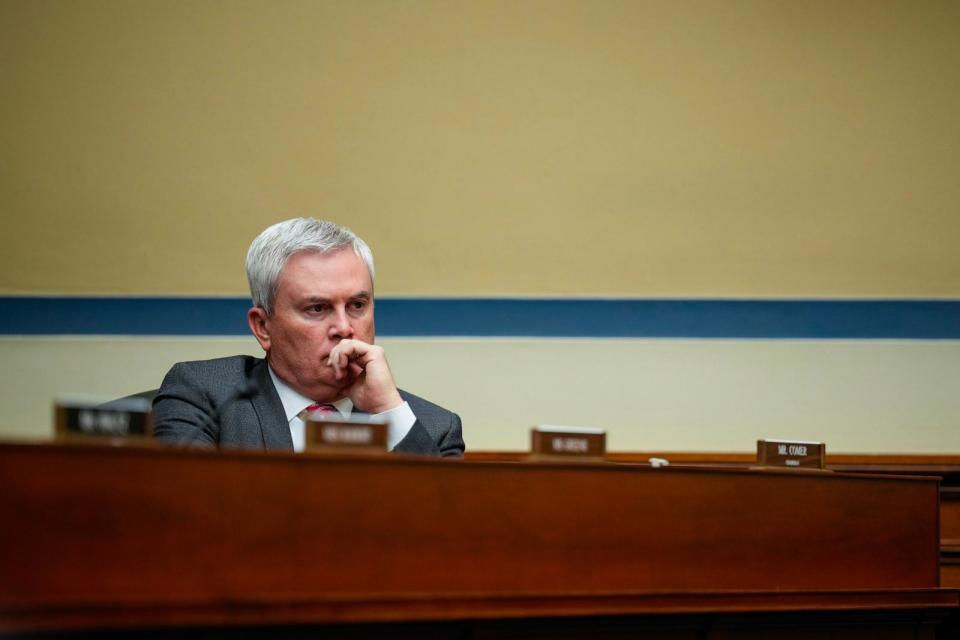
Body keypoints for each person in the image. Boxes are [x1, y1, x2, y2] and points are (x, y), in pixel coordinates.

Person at [153, 218, 464, 457]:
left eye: (357, 305)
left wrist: (388, 413)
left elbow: (451, 532)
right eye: (317, 308)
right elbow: (184, 514)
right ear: (263, 327)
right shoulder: (206, 395)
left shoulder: (431, 428)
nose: (344, 327)